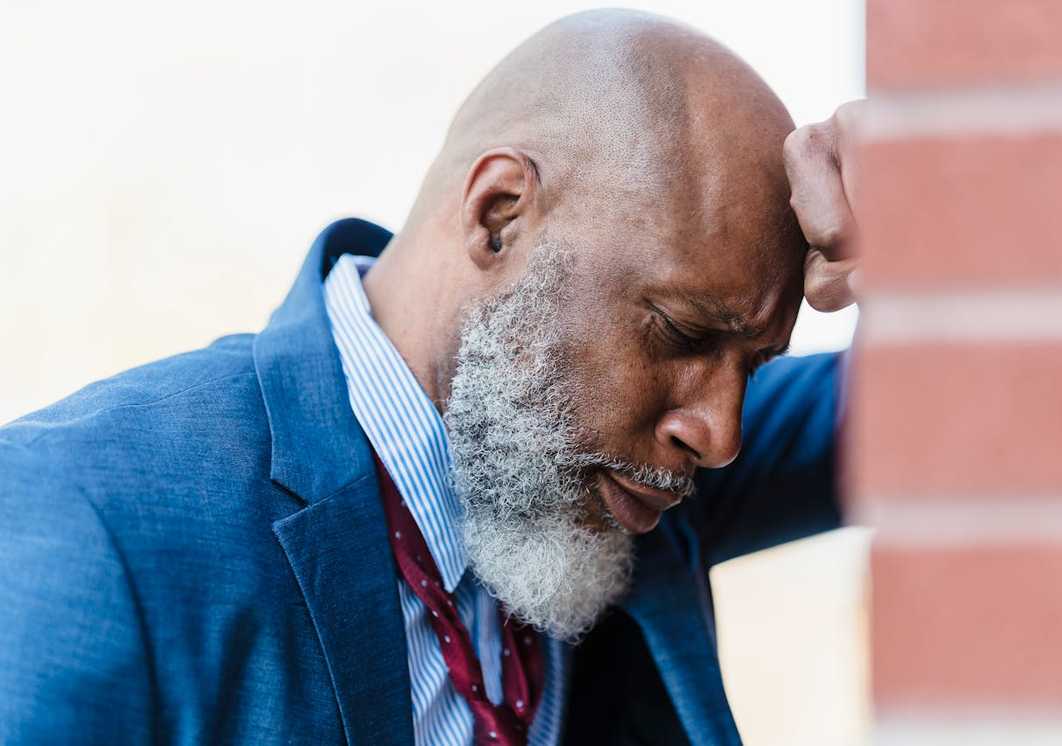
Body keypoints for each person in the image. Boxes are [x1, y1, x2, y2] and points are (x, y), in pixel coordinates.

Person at [0, 9, 859, 746]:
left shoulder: (624, 476)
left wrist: (941, 214)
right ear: (499, 217)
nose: (720, 435)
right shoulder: (86, 521)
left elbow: (964, 404)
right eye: (679, 331)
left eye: (751, 365)